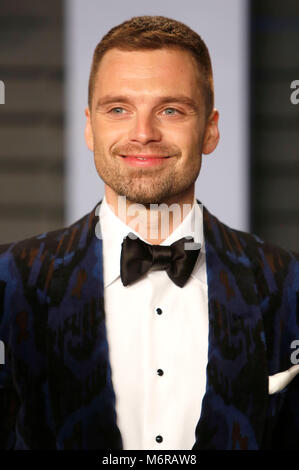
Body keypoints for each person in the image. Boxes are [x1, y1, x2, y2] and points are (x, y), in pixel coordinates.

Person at [0, 15, 299, 451]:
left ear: (210, 130)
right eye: (119, 109)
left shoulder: (288, 284)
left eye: (171, 110)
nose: (143, 134)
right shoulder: (9, 282)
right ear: (90, 126)